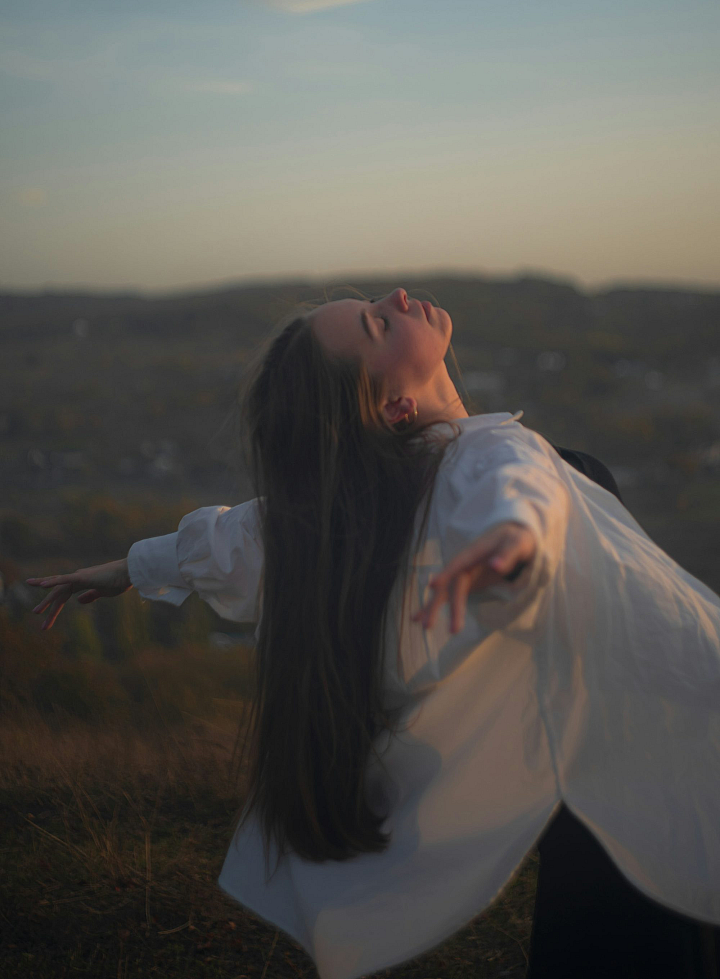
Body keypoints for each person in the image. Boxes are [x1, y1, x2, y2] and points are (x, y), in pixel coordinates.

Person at [27, 288, 720, 979]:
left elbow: (246, 536)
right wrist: (512, 541)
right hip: (624, 751)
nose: (398, 296)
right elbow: (516, 491)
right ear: (395, 409)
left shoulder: (355, 506)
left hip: (571, 767)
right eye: (378, 323)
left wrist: (128, 567)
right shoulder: (505, 455)